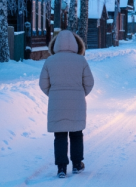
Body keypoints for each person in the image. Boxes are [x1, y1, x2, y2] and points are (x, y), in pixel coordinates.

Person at [39, 30, 94, 178]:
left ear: (55, 44)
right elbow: (89, 83)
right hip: (77, 104)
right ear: (76, 44)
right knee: (76, 134)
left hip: (56, 104)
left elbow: (43, 84)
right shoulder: (81, 61)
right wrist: (80, 94)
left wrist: (54, 94)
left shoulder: (50, 61)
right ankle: (77, 164)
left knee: (60, 135)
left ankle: (61, 168)